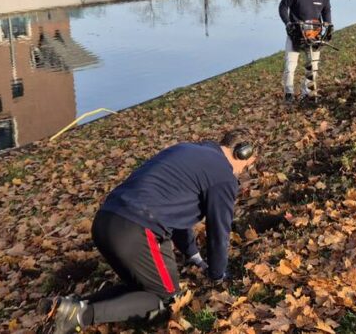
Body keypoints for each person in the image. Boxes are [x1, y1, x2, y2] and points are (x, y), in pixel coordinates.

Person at [41, 129, 257, 334]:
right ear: (242, 152)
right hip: (139, 229)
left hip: (105, 221)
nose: (242, 172)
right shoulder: (223, 175)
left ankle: (67, 307)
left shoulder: (188, 151)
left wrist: (192, 254)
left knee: (141, 287)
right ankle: (82, 315)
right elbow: (219, 230)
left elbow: (175, 211)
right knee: (165, 300)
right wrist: (218, 275)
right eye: (246, 166)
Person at [278, 0, 334, 102]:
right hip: (296, 32)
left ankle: (306, 93)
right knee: (290, 66)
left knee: (313, 66)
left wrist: (329, 25)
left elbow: (326, 10)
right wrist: (287, 23)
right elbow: (282, 7)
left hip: (314, 32)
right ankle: (289, 93)